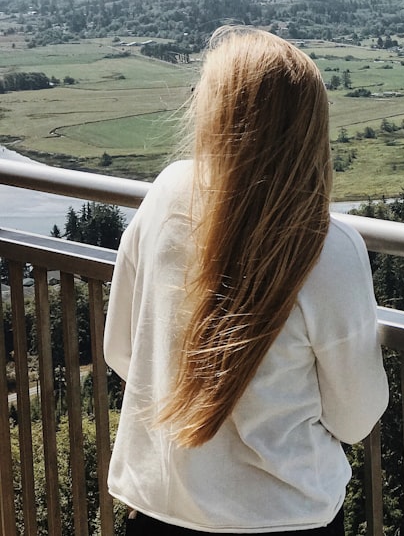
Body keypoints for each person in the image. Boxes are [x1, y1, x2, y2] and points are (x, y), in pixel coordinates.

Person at [104, 26, 388, 534]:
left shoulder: (169, 195)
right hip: (285, 516)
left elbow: (121, 350)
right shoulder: (329, 249)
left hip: (160, 507)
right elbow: (355, 417)